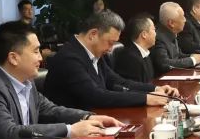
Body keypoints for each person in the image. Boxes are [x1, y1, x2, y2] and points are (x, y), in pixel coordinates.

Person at [43, 10, 178, 109]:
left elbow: (118, 81)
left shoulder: (95, 54)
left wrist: (155, 89)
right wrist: (146, 98)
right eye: (110, 42)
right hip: (72, 130)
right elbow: (96, 96)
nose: (110, 49)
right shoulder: (69, 58)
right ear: (93, 34)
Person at [153, 2, 200, 74]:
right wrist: (193, 60)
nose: (185, 20)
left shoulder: (171, 33)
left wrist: (193, 56)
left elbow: (178, 55)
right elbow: (164, 64)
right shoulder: (158, 38)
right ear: (171, 23)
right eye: (182, 17)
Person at [114, 15, 158, 87]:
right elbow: (134, 88)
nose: (156, 34)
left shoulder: (145, 53)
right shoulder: (130, 58)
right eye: (154, 29)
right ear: (144, 34)